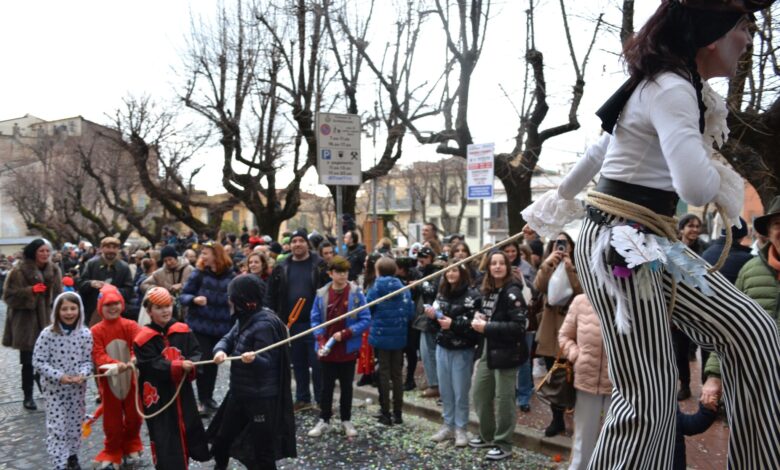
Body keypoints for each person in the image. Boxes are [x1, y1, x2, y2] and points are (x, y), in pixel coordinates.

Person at [521, 2, 780, 466]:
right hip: (627, 244)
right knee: (649, 399)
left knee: (754, 331)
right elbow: (694, 186)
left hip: (650, 243)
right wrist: (718, 171)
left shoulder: (667, 86)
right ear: (711, 33)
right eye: (743, 26)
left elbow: (603, 147)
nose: (749, 39)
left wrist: (555, 200)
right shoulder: (672, 89)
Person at [210, 275, 296, 470]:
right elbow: (227, 338)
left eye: (232, 296)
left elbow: (269, 362)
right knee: (222, 439)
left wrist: (255, 359)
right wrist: (220, 350)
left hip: (260, 398)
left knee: (262, 451)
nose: (229, 300)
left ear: (241, 298)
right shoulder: (244, 317)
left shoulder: (265, 324)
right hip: (239, 392)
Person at [133, 287, 209, 469]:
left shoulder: (183, 331)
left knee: (187, 430)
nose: (165, 311)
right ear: (149, 311)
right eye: (159, 307)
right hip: (159, 397)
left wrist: (192, 365)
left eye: (167, 306)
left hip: (182, 393)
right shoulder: (143, 339)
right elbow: (150, 365)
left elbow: (197, 353)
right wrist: (176, 366)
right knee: (165, 439)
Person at [468, 250, 527, 461]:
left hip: (507, 352)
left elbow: (520, 326)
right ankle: (487, 436)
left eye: (502, 263)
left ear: (507, 267)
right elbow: (488, 316)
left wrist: (488, 326)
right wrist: (480, 317)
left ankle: (504, 444)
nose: (498, 267)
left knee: (504, 399)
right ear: (489, 267)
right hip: (487, 349)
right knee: (480, 393)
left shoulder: (513, 292)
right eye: (494, 263)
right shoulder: (488, 290)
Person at [264, 228, 328, 410]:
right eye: (294, 241)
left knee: (317, 364)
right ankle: (302, 398)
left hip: (316, 324)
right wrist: (274, 317)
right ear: (290, 245)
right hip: (290, 325)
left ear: (307, 243)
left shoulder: (320, 264)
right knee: (298, 363)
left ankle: (321, 399)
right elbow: (271, 294)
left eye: (300, 240)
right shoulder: (281, 267)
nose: (297, 244)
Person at [308, 256, 370, 438]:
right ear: (330, 274)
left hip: (347, 348)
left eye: (345, 272)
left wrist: (347, 333)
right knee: (326, 387)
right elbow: (315, 320)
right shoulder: (321, 294)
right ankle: (324, 419)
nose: (343, 276)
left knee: (346, 386)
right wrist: (320, 340)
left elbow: (365, 319)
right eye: (338, 272)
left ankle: (346, 419)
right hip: (327, 348)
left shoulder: (357, 293)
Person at [32, 292, 92, 470]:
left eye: (73, 308)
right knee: (57, 428)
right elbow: (38, 361)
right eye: (64, 309)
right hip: (54, 391)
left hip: (77, 390)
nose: (69, 313)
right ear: (57, 311)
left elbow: (88, 361)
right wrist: (59, 376)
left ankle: (72, 457)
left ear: (79, 310)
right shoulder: (47, 334)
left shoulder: (85, 334)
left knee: (74, 426)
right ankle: (59, 463)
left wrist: (83, 373)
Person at [2, 238, 62, 410]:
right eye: (41, 251)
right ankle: (27, 396)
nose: (45, 254)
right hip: (25, 323)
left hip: (47, 321)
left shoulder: (54, 270)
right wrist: (30, 292)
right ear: (33, 252)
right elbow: (8, 296)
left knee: (48, 359)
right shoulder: (19, 271)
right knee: (27, 361)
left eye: (47, 251)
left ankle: (44, 385)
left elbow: (59, 296)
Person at [427, 262, 480, 447]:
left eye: (455, 269)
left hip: (462, 350)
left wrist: (454, 324)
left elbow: (475, 327)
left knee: (460, 392)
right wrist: (433, 317)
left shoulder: (473, 296)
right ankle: (447, 425)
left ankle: (461, 429)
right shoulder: (441, 293)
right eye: (449, 269)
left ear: (462, 272)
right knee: (446, 390)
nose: (451, 273)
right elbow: (435, 327)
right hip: (443, 347)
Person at [90, 285, 143, 469]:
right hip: (109, 381)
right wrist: (114, 363)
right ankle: (112, 450)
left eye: (116, 303)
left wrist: (134, 358)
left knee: (134, 416)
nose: (113, 308)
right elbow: (97, 354)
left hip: (131, 379)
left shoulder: (130, 325)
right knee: (111, 420)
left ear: (122, 304)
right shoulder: (96, 331)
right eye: (108, 304)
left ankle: (131, 443)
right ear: (100, 307)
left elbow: (137, 345)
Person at [558, 294, 612, 470]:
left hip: (618, 384)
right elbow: (565, 335)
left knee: (615, 439)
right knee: (583, 438)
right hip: (586, 380)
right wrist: (576, 355)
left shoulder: (629, 300)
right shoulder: (581, 301)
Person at [180, 241, 235, 414]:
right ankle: (203, 400)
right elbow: (183, 295)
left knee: (213, 363)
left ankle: (208, 399)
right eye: (202, 253)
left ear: (216, 255)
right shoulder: (199, 273)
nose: (202, 256)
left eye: (206, 253)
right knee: (202, 364)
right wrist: (193, 300)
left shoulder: (231, 276)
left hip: (221, 328)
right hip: (200, 327)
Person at [535, 232, 581, 436]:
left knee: (572, 377)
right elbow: (539, 286)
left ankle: (577, 417)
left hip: (572, 329)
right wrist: (547, 264)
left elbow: (581, 292)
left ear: (571, 246)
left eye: (565, 243)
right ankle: (557, 420)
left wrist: (570, 268)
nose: (561, 247)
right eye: (557, 243)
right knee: (553, 377)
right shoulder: (548, 264)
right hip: (549, 329)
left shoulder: (580, 266)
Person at [366, 257, 415, 425]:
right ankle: (398, 413)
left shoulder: (376, 288)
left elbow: (368, 308)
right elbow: (410, 312)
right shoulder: (403, 288)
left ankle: (385, 412)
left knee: (383, 374)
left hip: (380, 336)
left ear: (378, 271)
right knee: (397, 375)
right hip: (399, 336)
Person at [78, 237, 134, 325]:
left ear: (118, 249)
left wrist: (113, 290)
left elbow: (129, 290)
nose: (111, 250)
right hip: (93, 310)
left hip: (117, 312)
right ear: (102, 248)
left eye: (114, 248)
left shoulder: (124, 267)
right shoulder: (91, 264)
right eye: (108, 247)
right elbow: (80, 284)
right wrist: (91, 283)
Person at [412, 246, 440, 398]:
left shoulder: (435, 272)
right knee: (426, 352)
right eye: (419, 257)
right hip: (423, 318)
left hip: (431, 319)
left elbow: (431, 291)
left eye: (424, 257)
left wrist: (419, 282)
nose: (421, 260)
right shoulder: (420, 271)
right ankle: (432, 381)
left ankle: (435, 384)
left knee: (429, 351)